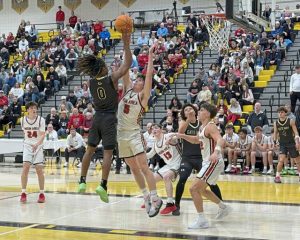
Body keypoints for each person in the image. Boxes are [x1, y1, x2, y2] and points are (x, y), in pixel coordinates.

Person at [77, 33, 132, 203]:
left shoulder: (92, 82)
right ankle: (103, 184)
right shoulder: (112, 78)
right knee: (108, 153)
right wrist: (126, 43)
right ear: (101, 68)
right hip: (109, 119)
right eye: (104, 65)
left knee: (89, 150)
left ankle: (82, 181)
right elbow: (127, 65)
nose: (108, 67)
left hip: (96, 119)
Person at [117, 44, 163, 218]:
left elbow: (149, 74)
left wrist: (150, 55)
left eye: (141, 81)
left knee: (143, 167)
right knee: (133, 168)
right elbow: (125, 69)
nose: (138, 81)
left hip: (134, 133)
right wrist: (125, 47)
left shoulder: (143, 97)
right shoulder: (127, 91)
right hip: (121, 135)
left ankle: (155, 197)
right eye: (137, 80)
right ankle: (145, 196)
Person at [176, 103, 231, 229]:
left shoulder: (211, 126)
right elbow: (196, 140)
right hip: (208, 162)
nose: (198, 112)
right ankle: (223, 207)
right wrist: (181, 136)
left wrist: (216, 152)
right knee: (201, 190)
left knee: (193, 189)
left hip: (213, 161)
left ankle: (202, 220)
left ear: (207, 113)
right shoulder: (202, 127)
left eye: (201, 110)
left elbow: (220, 140)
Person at [146, 123, 181, 215]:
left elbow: (178, 135)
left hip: (179, 163)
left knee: (166, 177)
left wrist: (171, 139)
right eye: (152, 128)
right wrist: (138, 154)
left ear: (161, 129)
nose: (154, 129)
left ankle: (170, 203)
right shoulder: (155, 145)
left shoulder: (167, 136)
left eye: (156, 128)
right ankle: (155, 200)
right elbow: (149, 155)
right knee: (151, 180)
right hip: (169, 165)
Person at [20, 102, 46, 203]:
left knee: (39, 170)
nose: (34, 110)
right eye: (31, 108)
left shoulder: (41, 120)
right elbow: (25, 133)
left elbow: (43, 135)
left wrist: (37, 144)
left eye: (35, 108)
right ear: (27, 110)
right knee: (25, 167)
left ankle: (42, 193)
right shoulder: (23, 120)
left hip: (38, 146)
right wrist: (30, 144)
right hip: (27, 146)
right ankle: (23, 193)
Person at [273, 106, 300, 183]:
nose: (280, 114)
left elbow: (296, 132)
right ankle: (277, 176)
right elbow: (275, 133)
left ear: (285, 113)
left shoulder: (291, 121)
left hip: (291, 143)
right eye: (279, 112)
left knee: (297, 161)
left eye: (281, 112)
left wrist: (297, 141)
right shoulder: (276, 123)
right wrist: (275, 142)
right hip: (282, 144)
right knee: (281, 160)